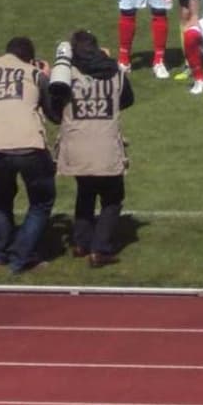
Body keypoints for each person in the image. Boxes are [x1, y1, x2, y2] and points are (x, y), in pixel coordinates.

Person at [48, 30, 134, 267]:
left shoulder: (66, 74)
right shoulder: (114, 71)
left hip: (75, 145)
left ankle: (80, 243)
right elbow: (128, 99)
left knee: (85, 192)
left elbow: (55, 107)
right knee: (112, 198)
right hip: (106, 144)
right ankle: (100, 249)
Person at [0, 36, 56, 274]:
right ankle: (21, 255)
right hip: (29, 144)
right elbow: (54, 114)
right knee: (41, 201)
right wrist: (48, 77)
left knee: (2, 194)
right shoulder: (34, 73)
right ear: (30, 58)